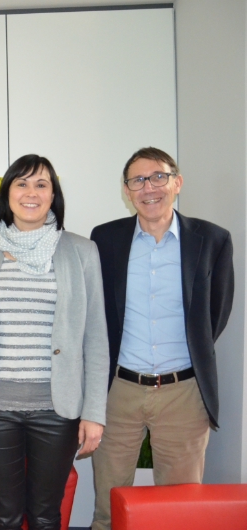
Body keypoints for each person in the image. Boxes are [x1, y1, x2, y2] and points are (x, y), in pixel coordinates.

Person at [90, 147, 234, 530]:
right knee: (108, 508)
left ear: (177, 182)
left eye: (158, 177)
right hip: (118, 391)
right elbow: (98, 312)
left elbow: (215, 315)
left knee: (178, 511)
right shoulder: (105, 239)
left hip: (183, 394)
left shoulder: (212, 239)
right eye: (138, 180)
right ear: (126, 190)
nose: (149, 188)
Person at [0, 154, 108, 530]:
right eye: (21, 183)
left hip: (57, 409)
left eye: (41, 184)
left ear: (53, 196)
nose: (30, 192)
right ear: (8, 194)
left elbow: (96, 336)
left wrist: (94, 413)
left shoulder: (81, 251)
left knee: (46, 515)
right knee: (4, 515)